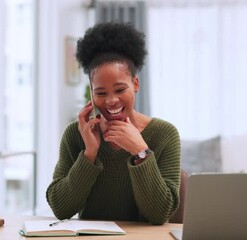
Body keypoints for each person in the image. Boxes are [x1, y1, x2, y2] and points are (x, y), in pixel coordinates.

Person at [46, 22, 181, 225]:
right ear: (91, 92)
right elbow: (61, 208)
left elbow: (160, 214)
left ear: (135, 84)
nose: (111, 101)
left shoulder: (165, 134)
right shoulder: (76, 134)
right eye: (100, 93)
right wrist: (89, 154)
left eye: (119, 90)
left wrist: (141, 152)